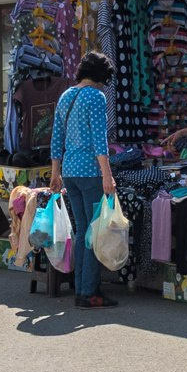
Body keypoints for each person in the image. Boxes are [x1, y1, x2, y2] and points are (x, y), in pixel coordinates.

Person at [50, 52, 120, 309]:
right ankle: (89, 291)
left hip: (69, 171)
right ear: (101, 77)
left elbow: (56, 139)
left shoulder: (66, 96)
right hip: (91, 172)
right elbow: (100, 140)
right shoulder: (96, 97)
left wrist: (55, 172)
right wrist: (107, 175)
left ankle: (81, 287)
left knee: (82, 230)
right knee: (93, 232)